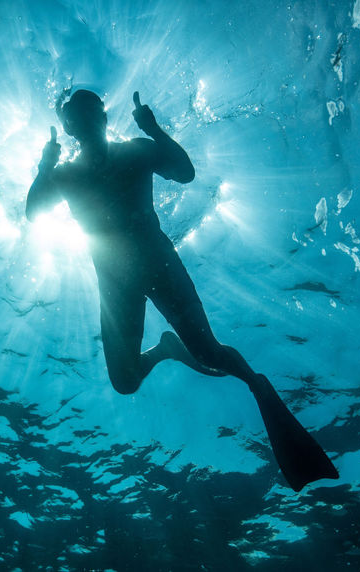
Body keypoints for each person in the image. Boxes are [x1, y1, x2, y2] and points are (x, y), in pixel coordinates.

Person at [27, 89, 338, 491]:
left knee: (209, 352)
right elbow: (34, 214)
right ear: (69, 126)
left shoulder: (134, 151)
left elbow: (184, 172)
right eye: (77, 115)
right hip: (115, 282)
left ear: (103, 117)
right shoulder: (64, 174)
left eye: (93, 111)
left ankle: (252, 382)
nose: (86, 120)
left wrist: (154, 129)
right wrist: (43, 167)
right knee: (124, 381)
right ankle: (165, 351)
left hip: (160, 263)